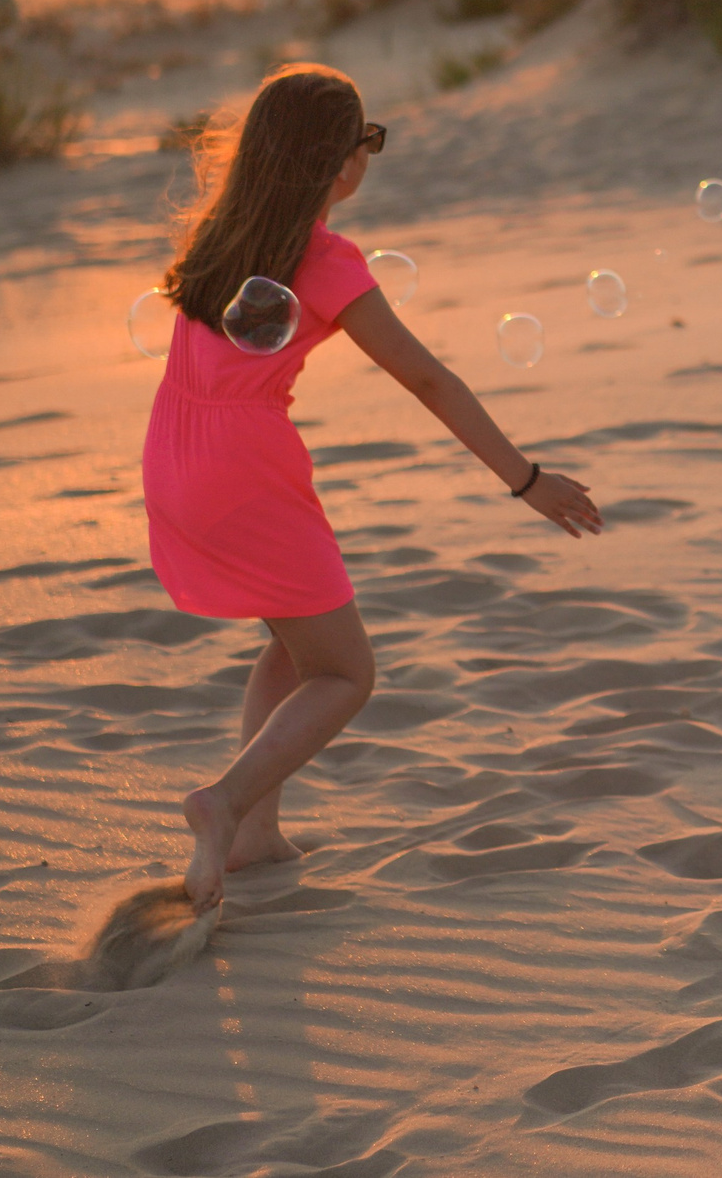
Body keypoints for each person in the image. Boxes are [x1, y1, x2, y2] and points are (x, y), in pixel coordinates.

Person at [144, 63, 603, 912]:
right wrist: (527, 479)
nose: (369, 156)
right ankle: (225, 803)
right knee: (347, 674)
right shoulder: (326, 258)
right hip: (247, 470)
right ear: (342, 161)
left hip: (175, 454)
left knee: (296, 645)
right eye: (369, 140)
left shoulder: (221, 237)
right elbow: (427, 379)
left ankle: (254, 835)